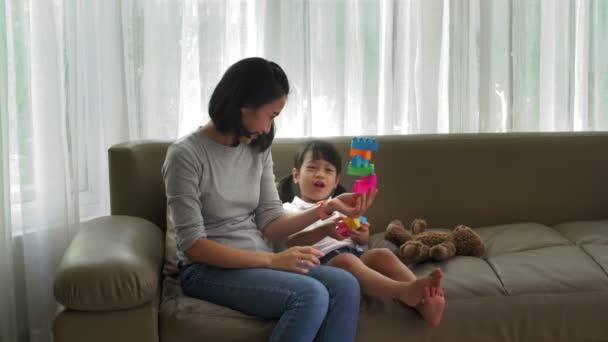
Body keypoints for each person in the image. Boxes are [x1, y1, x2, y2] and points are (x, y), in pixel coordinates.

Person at [162, 57, 377, 342]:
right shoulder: (185, 155)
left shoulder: (257, 149)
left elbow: (271, 222)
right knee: (310, 295)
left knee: (346, 285)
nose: (268, 127)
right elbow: (193, 246)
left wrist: (327, 208)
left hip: (257, 259)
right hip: (206, 269)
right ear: (243, 104)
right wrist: (272, 260)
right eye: (271, 115)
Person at [278, 140, 445, 327]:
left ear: (336, 182)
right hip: (322, 262)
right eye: (312, 167)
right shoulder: (289, 210)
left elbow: (363, 239)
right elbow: (290, 242)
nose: (320, 174)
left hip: (355, 256)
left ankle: (425, 301)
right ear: (296, 175)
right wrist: (325, 230)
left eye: (328, 170)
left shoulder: (342, 207)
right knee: (346, 261)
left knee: (382, 254)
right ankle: (404, 290)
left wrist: (362, 234)